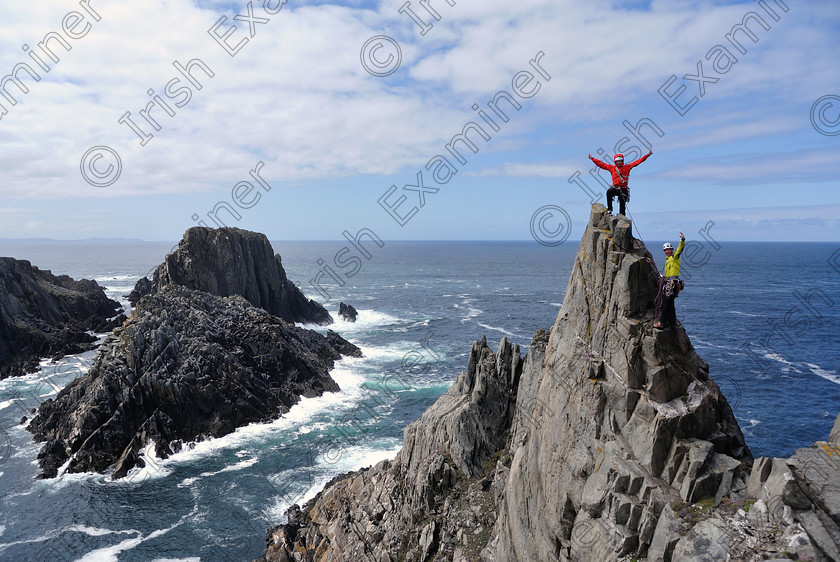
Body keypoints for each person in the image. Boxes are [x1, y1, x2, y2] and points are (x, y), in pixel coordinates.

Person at [588, 150, 653, 216]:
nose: (619, 162)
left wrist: (647, 155)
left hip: (624, 188)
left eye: (620, 161)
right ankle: (610, 209)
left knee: (622, 202)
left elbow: (638, 162)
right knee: (609, 192)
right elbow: (601, 164)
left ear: (622, 161)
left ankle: (622, 215)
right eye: (617, 161)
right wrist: (593, 159)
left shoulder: (627, 167)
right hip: (615, 188)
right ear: (615, 162)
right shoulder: (612, 168)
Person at [654, 232, 685, 329]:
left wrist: (682, 240)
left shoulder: (675, 257)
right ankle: (672, 322)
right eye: (666, 250)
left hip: (673, 283)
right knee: (670, 303)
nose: (667, 251)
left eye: (669, 250)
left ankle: (662, 322)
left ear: (672, 250)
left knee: (666, 303)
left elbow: (679, 250)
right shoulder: (667, 260)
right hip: (669, 282)